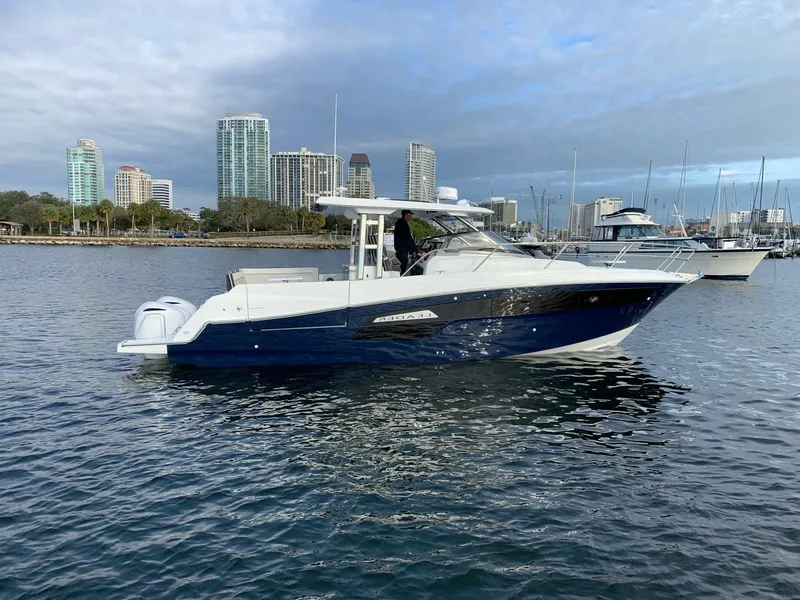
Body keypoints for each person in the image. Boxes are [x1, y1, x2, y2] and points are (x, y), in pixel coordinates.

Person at [393, 209, 423, 274]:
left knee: (403, 270)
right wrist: (417, 251)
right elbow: (408, 239)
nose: (411, 217)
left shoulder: (399, 224)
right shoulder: (403, 225)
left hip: (400, 251)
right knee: (403, 271)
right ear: (406, 215)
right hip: (402, 252)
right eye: (410, 215)